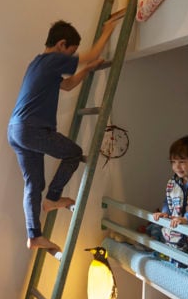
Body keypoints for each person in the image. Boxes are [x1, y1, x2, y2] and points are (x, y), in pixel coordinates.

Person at [8, 19, 117, 254]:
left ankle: (34, 235)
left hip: (16, 130)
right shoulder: (53, 60)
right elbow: (93, 53)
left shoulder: (38, 64)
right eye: (71, 52)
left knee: (34, 183)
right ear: (61, 44)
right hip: (33, 129)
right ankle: (53, 199)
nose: (72, 57)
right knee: (74, 154)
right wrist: (109, 29)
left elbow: (67, 85)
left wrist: (86, 70)